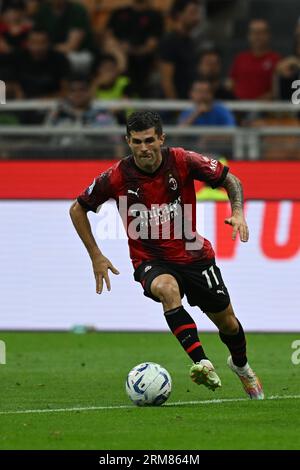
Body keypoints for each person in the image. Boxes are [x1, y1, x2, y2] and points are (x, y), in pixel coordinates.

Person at [69, 110, 264, 399]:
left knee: (228, 323)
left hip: (195, 257)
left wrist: (237, 212)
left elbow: (230, 180)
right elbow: (77, 208)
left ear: (161, 138)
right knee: (166, 289)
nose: (144, 147)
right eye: (137, 141)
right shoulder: (116, 176)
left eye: (150, 140)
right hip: (150, 260)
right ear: (128, 141)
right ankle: (202, 363)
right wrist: (95, 254)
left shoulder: (183, 160)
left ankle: (241, 366)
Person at [228, 19, 281, 100]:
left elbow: (276, 90)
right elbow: (231, 83)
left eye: (261, 33)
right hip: (238, 107)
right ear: (249, 35)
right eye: (254, 32)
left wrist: (255, 105)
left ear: (268, 35)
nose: (257, 36)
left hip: (263, 109)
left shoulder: (275, 59)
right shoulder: (240, 58)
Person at [159, 0, 202, 99]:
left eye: (197, 13)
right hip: (176, 105)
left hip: (188, 101)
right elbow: (166, 81)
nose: (197, 18)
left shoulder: (190, 41)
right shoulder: (170, 41)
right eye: (192, 13)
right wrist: (176, 108)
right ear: (179, 15)